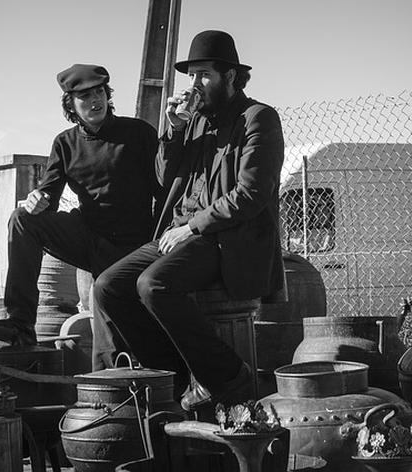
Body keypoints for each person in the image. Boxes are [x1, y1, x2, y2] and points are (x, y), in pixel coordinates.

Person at [94, 30, 285, 410]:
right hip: (179, 233)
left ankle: (227, 375)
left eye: (205, 75)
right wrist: (173, 131)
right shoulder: (193, 121)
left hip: (227, 237)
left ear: (230, 76)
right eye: (192, 75)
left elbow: (251, 193)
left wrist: (192, 226)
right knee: (107, 286)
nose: (195, 84)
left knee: (154, 284)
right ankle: (175, 376)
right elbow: (164, 179)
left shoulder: (258, 118)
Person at [0, 64, 162, 369]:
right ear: (70, 104)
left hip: (131, 245)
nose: (95, 101)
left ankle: (116, 384)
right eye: (85, 96)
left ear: (107, 95)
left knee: (109, 341)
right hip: (88, 235)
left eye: (99, 93)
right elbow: (49, 197)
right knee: (22, 219)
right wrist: (37, 198)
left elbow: (164, 189)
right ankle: (19, 324)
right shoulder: (65, 143)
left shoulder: (139, 133)